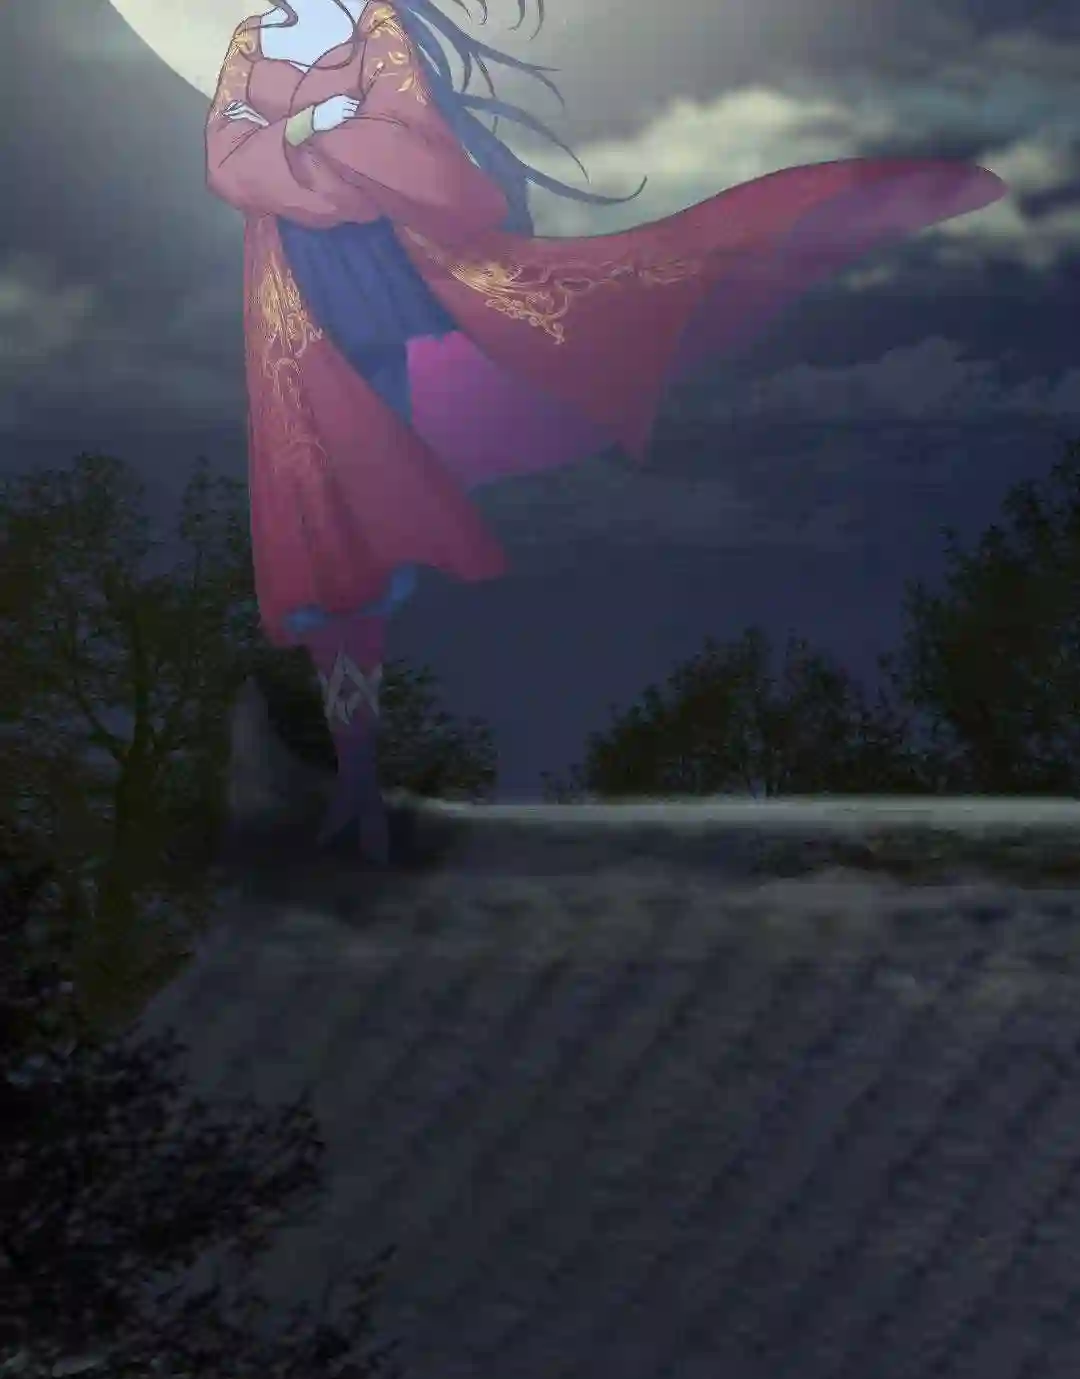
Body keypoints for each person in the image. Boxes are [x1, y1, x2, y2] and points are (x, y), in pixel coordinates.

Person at [206, 0, 1005, 863]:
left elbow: (425, 166)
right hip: (298, 324)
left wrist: (290, 148)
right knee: (330, 545)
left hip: (393, 303)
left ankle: (358, 782)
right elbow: (229, 167)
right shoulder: (253, 38)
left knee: (375, 528)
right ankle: (354, 775)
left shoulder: (377, 32)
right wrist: (320, 129)